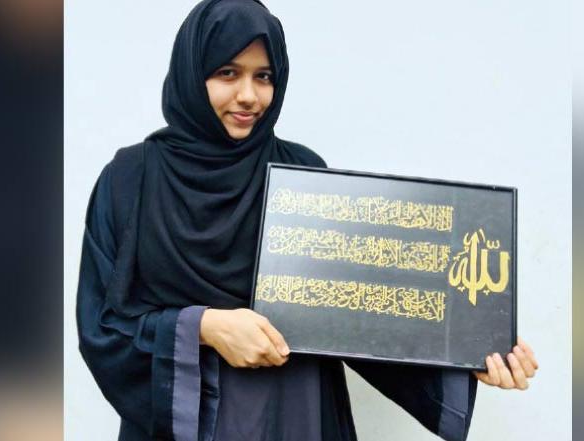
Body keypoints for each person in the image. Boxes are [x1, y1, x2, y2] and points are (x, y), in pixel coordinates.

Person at [76, 1, 538, 440]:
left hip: (296, 414)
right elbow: (101, 327)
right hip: (189, 424)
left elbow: (361, 310)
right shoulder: (130, 180)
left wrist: (467, 350)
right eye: (227, 73)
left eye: (264, 77)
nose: (248, 96)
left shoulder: (301, 177)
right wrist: (204, 327)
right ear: (191, 74)